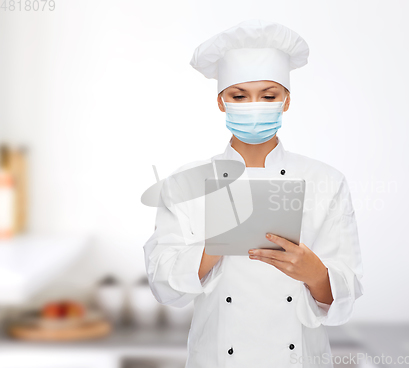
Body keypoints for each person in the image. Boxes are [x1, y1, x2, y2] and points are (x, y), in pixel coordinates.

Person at [142, 19, 364, 368]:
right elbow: (162, 283)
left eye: (269, 95)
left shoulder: (326, 181)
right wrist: (215, 248)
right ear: (221, 102)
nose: (254, 106)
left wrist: (314, 273)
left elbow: (346, 293)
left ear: (286, 101)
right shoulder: (186, 184)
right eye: (239, 96)